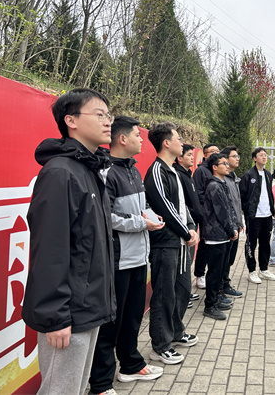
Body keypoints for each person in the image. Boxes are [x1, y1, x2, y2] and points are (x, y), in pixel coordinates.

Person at [22, 88, 116, 395]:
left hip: (87, 308)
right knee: (59, 389)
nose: (108, 122)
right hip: (68, 314)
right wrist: (55, 316)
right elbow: (50, 249)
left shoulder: (89, 170)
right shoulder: (60, 173)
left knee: (74, 388)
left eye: (109, 115)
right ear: (71, 121)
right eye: (99, 114)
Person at [88, 116, 165, 394]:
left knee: (132, 317)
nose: (142, 139)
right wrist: (142, 223)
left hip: (139, 257)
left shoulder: (133, 169)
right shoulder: (106, 171)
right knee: (111, 323)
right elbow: (106, 216)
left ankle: (131, 365)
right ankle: (100, 383)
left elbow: (140, 208)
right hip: (118, 260)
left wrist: (151, 217)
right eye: (137, 135)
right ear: (122, 139)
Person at [144, 123, 199, 365]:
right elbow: (165, 207)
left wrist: (192, 227)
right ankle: (161, 345)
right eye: (178, 138)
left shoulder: (173, 171)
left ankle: (176, 331)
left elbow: (182, 206)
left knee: (182, 290)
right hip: (165, 244)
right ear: (166, 143)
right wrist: (186, 232)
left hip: (180, 243)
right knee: (164, 295)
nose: (182, 142)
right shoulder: (157, 170)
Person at [201, 153, 238, 320]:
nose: (227, 166)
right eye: (224, 163)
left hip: (222, 235)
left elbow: (229, 210)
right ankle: (209, 305)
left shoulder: (221, 184)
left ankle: (215, 298)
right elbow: (221, 212)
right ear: (214, 167)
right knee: (214, 272)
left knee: (220, 270)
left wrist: (232, 228)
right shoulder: (214, 186)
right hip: (215, 235)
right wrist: (231, 230)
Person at [239, 147, 275, 283]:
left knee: (265, 244)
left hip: (267, 216)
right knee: (251, 244)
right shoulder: (248, 175)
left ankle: (264, 269)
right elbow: (242, 196)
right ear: (254, 158)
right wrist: (247, 211)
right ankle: (252, 271)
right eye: (261, 155)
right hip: (254, 216)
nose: (264, 157)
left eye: (265, 155)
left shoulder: (268, 174)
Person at [174, 144, 204, 307]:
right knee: (182, 263)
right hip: (184, 225)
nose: (193, 158)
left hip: (192, 224)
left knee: (188, 261)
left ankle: (185, 292)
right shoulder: (177, 174)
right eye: (189, 155)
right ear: (179, 158)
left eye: (193, 155)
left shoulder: (187, 174)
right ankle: (180, 296)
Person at [192, 143, 220, 289]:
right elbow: (199, 194)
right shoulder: (201, 171)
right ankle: (199, 274)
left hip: (217, 215)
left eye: (217, 151)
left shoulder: (217, 169)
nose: (216, 153)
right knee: (204, 244)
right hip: (206, 215)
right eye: (212, 151)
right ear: (205, 154)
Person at [219, 146, 244, 297]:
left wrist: (240, 223)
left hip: (235, 225)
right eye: (234, 156)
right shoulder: (223, 179)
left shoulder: (234, 178)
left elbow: (236, 203)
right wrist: (231, 225)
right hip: (228, 227)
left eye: (238, 156)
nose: (237, 158)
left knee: (230, 258)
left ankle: (225, 284)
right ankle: (221, 287)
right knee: (224, 259)